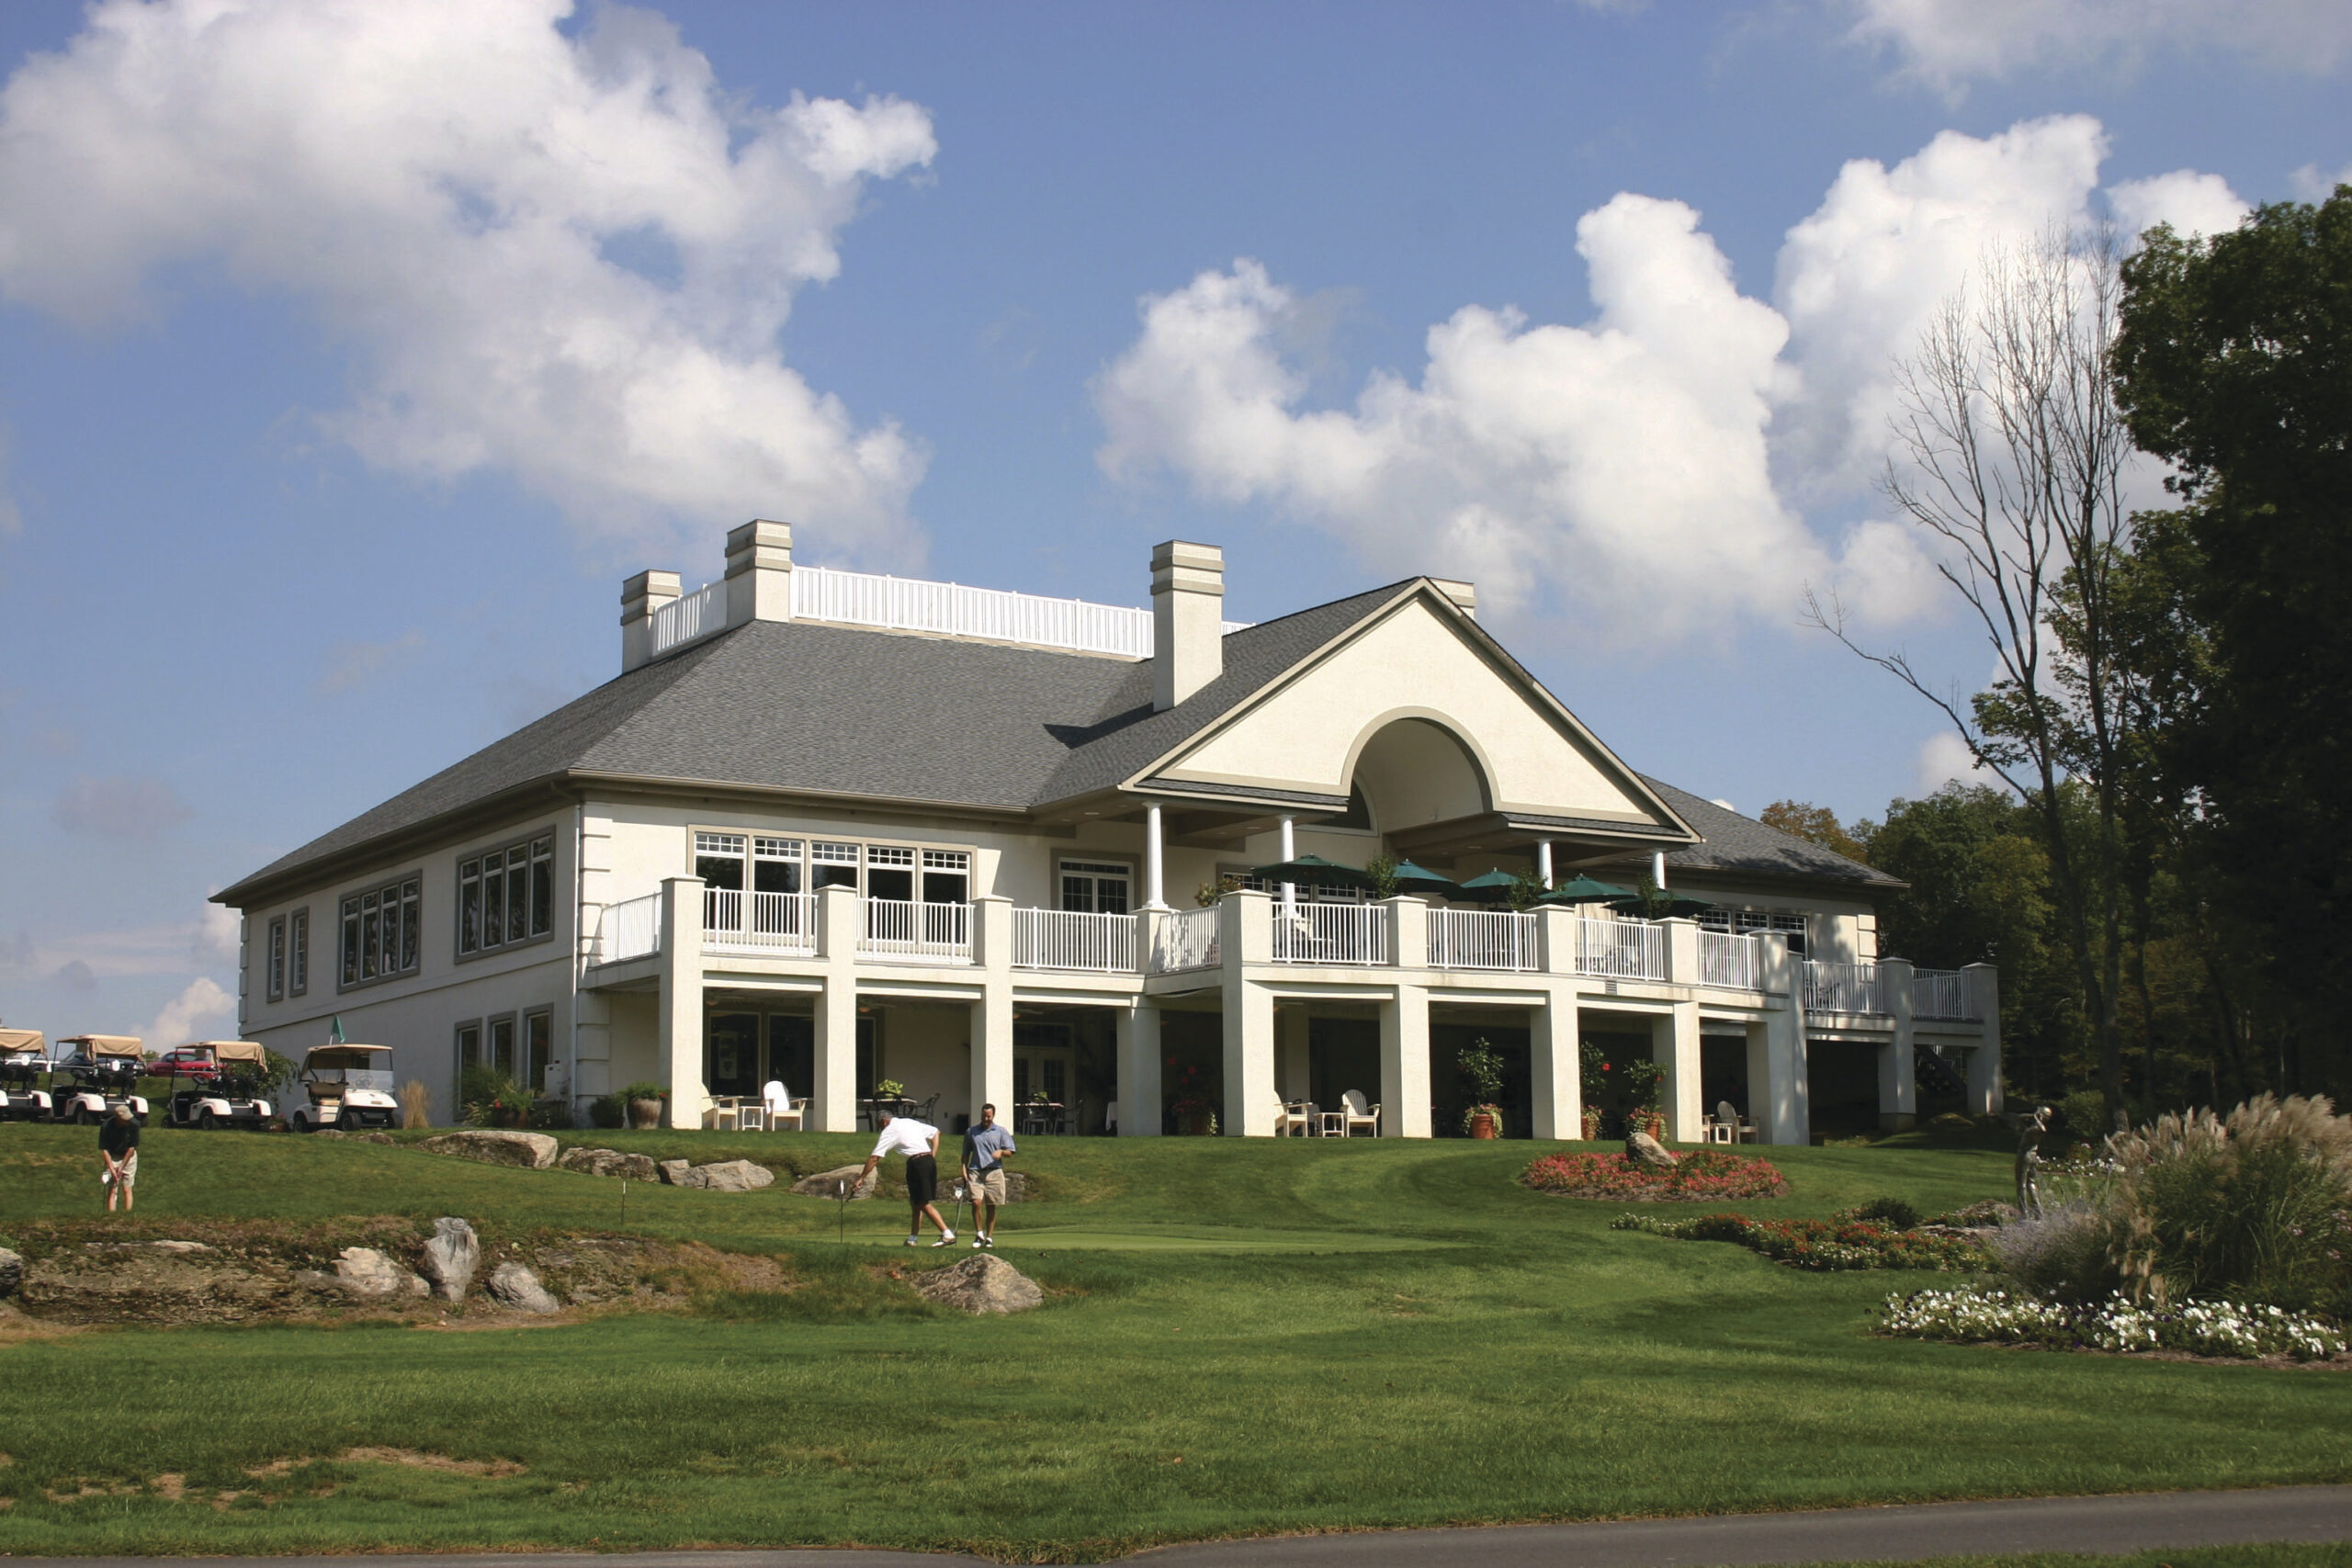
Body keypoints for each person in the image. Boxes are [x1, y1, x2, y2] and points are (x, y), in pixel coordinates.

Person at [861, 1106, 954, 1247]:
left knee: (922, 1202)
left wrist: (861, 1178)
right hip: (926, 1161)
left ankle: (947, 1234)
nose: (880, 1129)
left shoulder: (889, 1130)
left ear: (884, 1122)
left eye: (880, 1125)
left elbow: (874, 1158)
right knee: (915, 1202)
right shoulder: (909, 1122)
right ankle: (913, 1238)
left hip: (918, 1164)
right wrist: (932, 1155)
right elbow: (936, 1133)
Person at [960, 1102, 1016, 1249]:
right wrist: (963, 1170)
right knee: (976, 1202)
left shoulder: (1001, 1131)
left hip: (994, 1171)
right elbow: (965, 1154)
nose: (986, 1119)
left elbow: (1010, 1151)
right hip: (975, 1170)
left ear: (993, 1115)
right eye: (984, 1116)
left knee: (991, 1205)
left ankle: (989, 1237)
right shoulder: (971, 1131)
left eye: (989, 1116)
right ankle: (979, 1234)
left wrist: (1001, 1152)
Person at [100, 1102, 139, 1213]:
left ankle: (127, 1217)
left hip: (129, 1157)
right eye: (125, 1119)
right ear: (118, 1118)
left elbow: (132, 1148)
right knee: (113, 1188)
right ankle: (112, 1217)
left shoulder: (134, 1124)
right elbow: (104, 1149)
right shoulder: (106, 1126)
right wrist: (112, 1168)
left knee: (127, 1188)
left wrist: (121, 1167)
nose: (128, 1121)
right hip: (113, 1156)